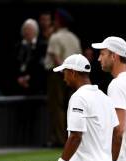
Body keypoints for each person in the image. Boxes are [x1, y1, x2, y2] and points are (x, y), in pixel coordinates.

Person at [44, 8, 80, 146]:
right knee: (69, 107)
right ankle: (69, 137)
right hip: (74, 75)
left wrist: (63, 73)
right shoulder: (74, 38)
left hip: (58, 76)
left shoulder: (55, 37)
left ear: (59, 22)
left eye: (55, 19)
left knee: (57, 107)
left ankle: (61, 140)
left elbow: (55, 58)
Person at [15, 18, 45, 95]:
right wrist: (18, 78)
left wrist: (29, 78)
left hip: (35, 85)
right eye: (25, 29)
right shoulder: (18, 46)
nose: (27, 32)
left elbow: (41, 66)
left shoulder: (42, 46)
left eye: (30, 29)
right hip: (18, 84)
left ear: (36, 32)